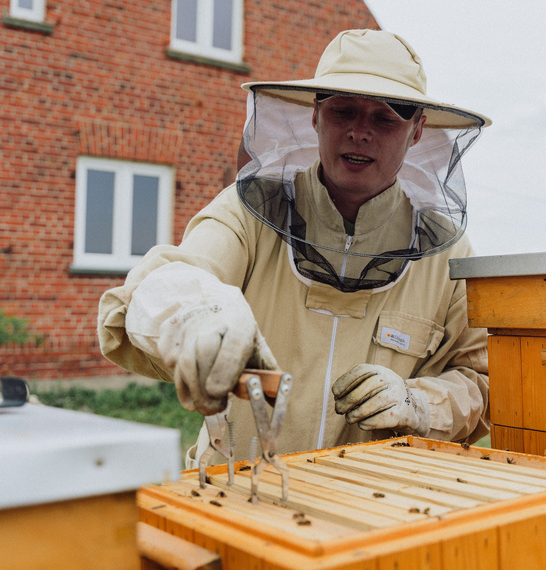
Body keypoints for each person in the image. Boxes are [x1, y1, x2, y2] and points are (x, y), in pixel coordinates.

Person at [97, 29, 491, 466]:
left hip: (375, 508)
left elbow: (482, 382)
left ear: (417, 131)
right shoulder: (248, 213)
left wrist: (419, 403)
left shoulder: (449, 256)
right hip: (236, 492)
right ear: (315, 116)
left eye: (385, 117)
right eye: (343, 110)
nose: (360, 132)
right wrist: (194, 318)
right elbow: (171, 276)